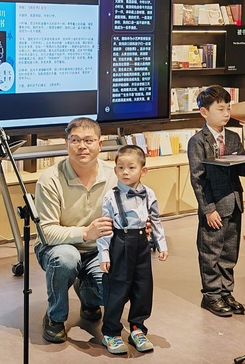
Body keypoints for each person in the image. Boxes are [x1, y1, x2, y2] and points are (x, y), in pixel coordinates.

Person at [34, 117, 117, 343]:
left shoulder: (115, 175)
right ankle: (55, 317)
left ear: (100, 144)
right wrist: (85, 233)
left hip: (99, 249)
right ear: (66, 143)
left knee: (113, 288)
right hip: (57, 248)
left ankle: (88, 296)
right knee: (66, 258)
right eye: (75, 140)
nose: (82, 146)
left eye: (89, 140)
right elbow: (46, 232)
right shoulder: (49, 179)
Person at [188, 85, 245, 317]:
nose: (226, 113)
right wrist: (208, 209)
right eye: (220, 109)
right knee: (211, 252)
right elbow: (198, 179)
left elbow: (240, 169)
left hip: (234, 202)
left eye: (228, 108)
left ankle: (226, 292)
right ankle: (211, 295)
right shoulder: (198, 141)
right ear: (204, 112)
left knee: (230, 252)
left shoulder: (233, 137)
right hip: (214, 207)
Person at [97, 145, 168, 354]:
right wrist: (104, 254)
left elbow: (155, 220)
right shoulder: (111, 196)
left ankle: (137, 328)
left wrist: (161, 244)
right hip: (120, 241)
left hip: (142, 243)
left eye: (131, 167)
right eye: (120, 168)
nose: (125, 172)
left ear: (143, 170)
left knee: (142, 287)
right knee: (117, 288)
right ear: (115, 170)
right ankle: (111, 333)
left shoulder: (149, 194)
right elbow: (105, 227)